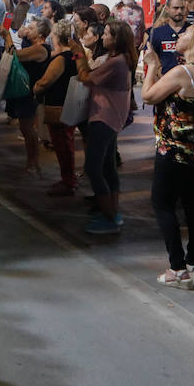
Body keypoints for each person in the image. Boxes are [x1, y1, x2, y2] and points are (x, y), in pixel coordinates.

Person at [141, 20, 194, 288]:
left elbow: (149, 96)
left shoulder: (183, 72)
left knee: (162, 204)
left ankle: (177, 268)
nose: (180, 34)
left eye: (187, 33)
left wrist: (152, 66)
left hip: (173, 149)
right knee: (193, 205)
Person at [74, 20, 137, 234]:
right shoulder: (120, 59)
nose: (103, 37)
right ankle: (111, 210)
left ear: (117, 38)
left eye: (107, 34)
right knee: (108, 167)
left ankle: (110, 217)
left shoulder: (116, 62)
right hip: (111, 118)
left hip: (104, 118)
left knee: (93, 167)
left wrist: (77, 54)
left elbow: (86, 78)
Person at [0, 16, 51, 174]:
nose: (28, 29)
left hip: (29, 92)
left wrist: (7, 36)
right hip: (25, 91)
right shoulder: (35, 46)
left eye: (32, 28)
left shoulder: (40, 48)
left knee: (28, 129)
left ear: (40, 33)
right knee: (26, 128)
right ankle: (32, 162)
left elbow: (13, 55)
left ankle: (33, 162)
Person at [35, 21, 79, 195]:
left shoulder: (60, 59)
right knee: (66, 143)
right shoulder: (76, 56)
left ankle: (68, 180)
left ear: (57, 38)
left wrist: (36, 87)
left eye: (53, 36)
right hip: (71, 104)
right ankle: (69, 178)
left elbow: (46, 82)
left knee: (62, 144)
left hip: (58, 106)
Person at [150, 0, 189, 73]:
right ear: (167, 9)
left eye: (182, 8)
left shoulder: (193, 30)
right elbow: (151, 54)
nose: (179, 11)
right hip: (165, 77)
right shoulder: (157, 32)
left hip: (188, 76)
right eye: (175, 8)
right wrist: (158, 70)